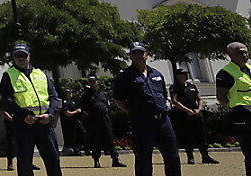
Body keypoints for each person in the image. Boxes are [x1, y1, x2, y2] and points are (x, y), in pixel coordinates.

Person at [112, 41, 181, 176]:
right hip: (142, 122)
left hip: (163, 121)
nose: (138, 56)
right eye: (134, 53)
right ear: (130, 56)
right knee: (144, 158)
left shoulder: (156, 73)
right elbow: (118, 99)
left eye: (140, 53)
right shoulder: (124, 76)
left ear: (146, 55)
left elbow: (163, 94)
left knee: (172, 156)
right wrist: (132, 113)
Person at [0, 42, 62, 176]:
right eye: (17, 56)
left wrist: (50, 115)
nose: (20, 58)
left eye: (23, 55)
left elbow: (54, 97)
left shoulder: (41, 74)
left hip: (45, 124)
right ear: (13, 57)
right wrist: (24, 116)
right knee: (24, 164)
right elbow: (6, 102)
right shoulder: (9, 76)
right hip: (24, 126)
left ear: (29, 56)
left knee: (53, 160)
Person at [215, 41, 251, 176]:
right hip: (242, 115)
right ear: (231, 55)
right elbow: (221, 97)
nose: (245, 55)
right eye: (240, 52)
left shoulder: (249, 69)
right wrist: (235, 109)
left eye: (246, 52)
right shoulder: (225, 73)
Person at [170, 67, 217, 165]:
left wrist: (199, 109)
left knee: (201, 135)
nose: (186, 76)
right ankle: (190, 157)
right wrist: (187, 110)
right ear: (178, 76)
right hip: (183, 115)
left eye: (186, 74)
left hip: (196, 113)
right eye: (183, 74)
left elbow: (199, 98)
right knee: (188, 136)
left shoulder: (192, 86)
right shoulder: (175, 87)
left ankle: (205, 156)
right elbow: (174, 101)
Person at [79, 76, 124, 168]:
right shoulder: (86, 95)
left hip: (105, 118)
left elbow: (108, 105)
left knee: (110, 139)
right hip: (93, 120)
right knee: (96, 140)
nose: (92, 83)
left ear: (97, 82)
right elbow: (83, 109)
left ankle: (115, 160)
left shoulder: (103, 93)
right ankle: (96, 161)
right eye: (90, 82)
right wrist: (91, 116)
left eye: (93, 81)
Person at [60, 90, 87, 156]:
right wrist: (76, 111)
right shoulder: (65, 102)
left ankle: (80, 147)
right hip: (69, 122)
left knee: (81, 133)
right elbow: (67, 113)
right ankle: (71, 149)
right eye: (69, 93)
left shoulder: (73, 102)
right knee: (71, 136)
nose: (71, 94)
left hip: (75, 121)